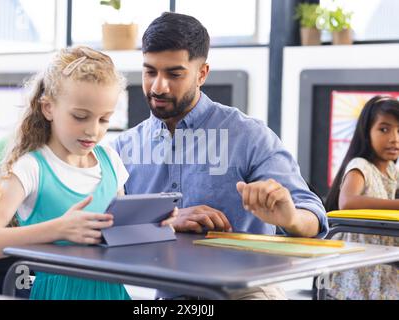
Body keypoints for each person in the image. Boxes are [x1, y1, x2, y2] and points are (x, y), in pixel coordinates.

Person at [113, 12, 328, 300]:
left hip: (246, 290)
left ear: (202, 73)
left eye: (174, 74)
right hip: (170, 295)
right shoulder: (124, 147)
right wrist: (164, 223)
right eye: (150, 71)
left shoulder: (248, 136)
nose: (158, 87)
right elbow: (105, 225)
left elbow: (313, 217)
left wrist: (290, 218)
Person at [0, 46, 130, 300]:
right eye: (80, 116)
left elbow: (119, 234)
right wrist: (58, 229)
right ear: (48, 108)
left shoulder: (111, 161)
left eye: (104, 120)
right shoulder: (30, 168)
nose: (93, 131)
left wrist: (151, 225)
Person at [325, 96, 399, 300]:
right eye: (384, 129)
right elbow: (347, 202)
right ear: (366, 132)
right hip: (360, 266)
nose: (394, 138)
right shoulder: (361, 165)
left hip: (383, 260)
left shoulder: (392, 170)